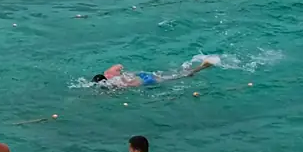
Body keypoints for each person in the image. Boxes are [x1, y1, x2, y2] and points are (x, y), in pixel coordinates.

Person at [90, 55, 218, 89]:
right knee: (173, 73)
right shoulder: (110, 72)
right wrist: (122, 73)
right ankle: (191, 67)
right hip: (142, 75)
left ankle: (202, 67)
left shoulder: (115, 86)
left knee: (179, 77)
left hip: (146, 81)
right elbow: (119, 65)